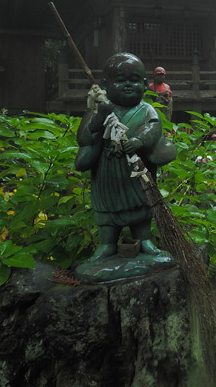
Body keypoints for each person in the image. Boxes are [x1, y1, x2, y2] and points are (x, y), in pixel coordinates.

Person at [75, 52, 176, 262]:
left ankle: (145, 241)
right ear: (105, 84)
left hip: (137, 170)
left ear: (145, 83)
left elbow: (154, 128)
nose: (128, 85)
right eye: (120, 81)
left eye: (135, 80)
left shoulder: (147, 110)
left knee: (142, 204)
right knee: (107, 210)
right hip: (107, 170)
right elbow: (84, 136)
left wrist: (139, 141)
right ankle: (107, 244)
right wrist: (100, 115)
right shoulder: (100, 109)